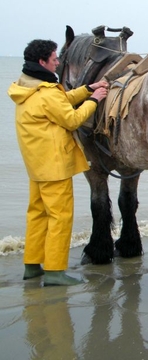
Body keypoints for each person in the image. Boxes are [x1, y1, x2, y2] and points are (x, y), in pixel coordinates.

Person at [7, 39, 109, 286]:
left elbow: (60, 101)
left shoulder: (26, 87)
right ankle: (55, 271)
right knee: (60, 218)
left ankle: (32, 266)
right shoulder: (46, 92)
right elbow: (71, 119)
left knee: (37, 215)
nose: (58, 62)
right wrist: (94, 100)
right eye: (54, 58)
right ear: (42, 62)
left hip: (36, 165)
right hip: (55, 166)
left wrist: (87, 89)